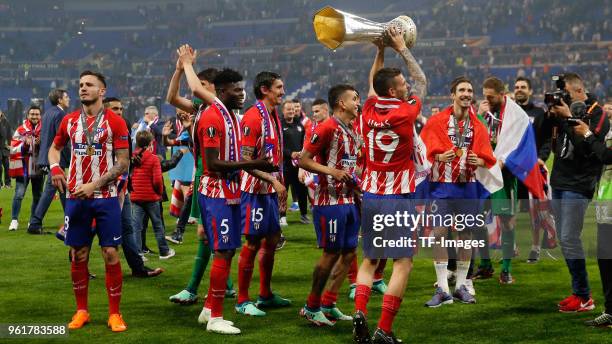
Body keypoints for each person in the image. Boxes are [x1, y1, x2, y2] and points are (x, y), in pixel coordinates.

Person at [178, 44, 276, 335]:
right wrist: (255, 162)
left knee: (227, 250)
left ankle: (209, 306)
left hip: (230, 190)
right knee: (222, 251)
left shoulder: (229, 113)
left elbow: (198, 89)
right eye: (236, 90)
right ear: (221, 91)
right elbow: (213, 163)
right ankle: (217, 317)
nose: (242, 94)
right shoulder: (212, 117)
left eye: (243, 89)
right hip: (216, 190)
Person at [352, 26, 427, 344]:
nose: (407, 85)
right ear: (394, 92)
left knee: (369, 260)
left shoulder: (369, 109)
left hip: (371, 194)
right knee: (403, 262)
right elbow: (422, 80)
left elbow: (372, 83)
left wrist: (379, 51)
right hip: (397, 195)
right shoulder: (405, 112)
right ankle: (384, 328)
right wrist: (401, 48)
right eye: (401, 84)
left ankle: (359, 314)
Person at [48, 70, 130, 332]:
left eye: (89, 85)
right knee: (78, 253)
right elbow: (55, 148)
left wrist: (94, 184)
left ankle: (114, 314)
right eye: (80, 84)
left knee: (110, 254)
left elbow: (123, 163)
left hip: (104, 197)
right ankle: (81, 310)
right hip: (76, 197)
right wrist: (54, 167)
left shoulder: (116, 123)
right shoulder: (69, 121)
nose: (83, 88)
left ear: (102, 91)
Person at [420, 77, 498, 306]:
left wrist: (479, 161)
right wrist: (436, 157)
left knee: (465, 237)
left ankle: (461, 285)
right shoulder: (436, 122)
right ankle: (443, 288)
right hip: (442, 187)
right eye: (462, 90)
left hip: (467, 188)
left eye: (470, 90)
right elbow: (421, 152)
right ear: (452, 95)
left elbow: (487, 159)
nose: (466, 93)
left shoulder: (478, 126)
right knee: (439, 233)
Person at [166, 64, 236, 304]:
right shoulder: (202, 110)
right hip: (204, 175)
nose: (196, 91)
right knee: (207, 234)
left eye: (203, 86)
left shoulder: (219, 111)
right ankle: (223, 286)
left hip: (217, 177)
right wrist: (177, 70)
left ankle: (195, 289)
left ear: (215, 89)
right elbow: (172, 97)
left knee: (207, 233)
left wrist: (186, 63)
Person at [299, 84, 361, 326]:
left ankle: (329, 302)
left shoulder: (353, 130)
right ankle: (311, 306)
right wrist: (331, 171)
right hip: (330, 201)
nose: (358, 102)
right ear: (341, 103)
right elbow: (303, 160)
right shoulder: (327, 128)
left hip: (349, 200)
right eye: (354, 99)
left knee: (349, 254)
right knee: (330, 254)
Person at [548, 73, 609, 313]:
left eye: (567, 93)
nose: (563, 97)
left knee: (569, 237)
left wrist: (570, 117)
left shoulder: (599, 114)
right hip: (560, 180)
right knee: (565, 239)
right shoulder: (563, 110)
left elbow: (590, 150)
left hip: (580, 184)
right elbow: (551, 142)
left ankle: (584, 296)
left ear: (579, 89)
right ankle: (579, 293)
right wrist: (553, 117)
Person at [235, 71, 291, 317]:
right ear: (265, 89)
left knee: (272, 238)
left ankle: (265, 294)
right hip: (253, 190)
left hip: (269, 188)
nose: (282, 91)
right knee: (252, 242)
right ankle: (242, 300)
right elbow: (244, 160)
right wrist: (272, 180)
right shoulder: (252, 117)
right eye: (279, 87)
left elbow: (272, 154)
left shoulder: (272, 114)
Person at [103, 97, 163, 278]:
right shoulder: (98, 131)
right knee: (90, 231)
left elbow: (125, 156)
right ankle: (81, 266)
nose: (119, 112)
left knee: (128, 228)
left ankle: (138, 268)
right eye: (115, 109)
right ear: (104, 110)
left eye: (121, 108)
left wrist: (133, 162)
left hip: (122, 187)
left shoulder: (124, 125)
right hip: (102, 190)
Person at [579, 103, 612, 326]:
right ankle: (610, 310)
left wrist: (589, 134)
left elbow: (608, 156)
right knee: (605, 259)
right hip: (605, 201)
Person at [514, 76, 552, 263]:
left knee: (534, 211)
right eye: (517, 87)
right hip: (511, 169)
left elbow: (547, 140)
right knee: (507, 210)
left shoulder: (539, 113)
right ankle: (510, 246)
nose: (519, 89)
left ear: (530, 91)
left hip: (531, 169)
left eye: (523, 87)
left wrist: (541, 158)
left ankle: (535, 248)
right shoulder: (508, 112)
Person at [28, 88, 71, 234]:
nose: (68, 99)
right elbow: (61, 139)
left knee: (62, 188)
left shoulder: (47, 113)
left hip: (46, 156)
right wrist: (70, 157)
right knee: (51, 189)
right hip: (56, 158)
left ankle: (70, 219)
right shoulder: (60, 114)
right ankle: (34, 223)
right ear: (59, 99)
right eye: (66, 97)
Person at [130, 130, 175, 259]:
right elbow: (157, 180)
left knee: (136, 226)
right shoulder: (154, 158)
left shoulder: (133, 158)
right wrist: (159, 192)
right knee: (157, 225)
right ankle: (164, 251)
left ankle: (138, 253)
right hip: (151, 197)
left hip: (136, 197)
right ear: (151, 143)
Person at [8, 105, 43, 231]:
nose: (34, 116)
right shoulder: (21, 129)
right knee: (19, 194)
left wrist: (41, 142)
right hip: (23, 167)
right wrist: (24, 144)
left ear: (40, 116)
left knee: (37, 196)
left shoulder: (44, 130)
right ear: (27, 116)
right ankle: (14, 220)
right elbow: (13, 146)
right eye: (32, 114)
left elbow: (51, 146)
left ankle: (33, 221)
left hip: (38, 167)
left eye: (37, 114)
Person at [280, 100, 309, 225]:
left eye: (292, 109)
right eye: (288, 109)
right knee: (283, 192)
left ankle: (303, 215)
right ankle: (282, 216)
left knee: (302, 191)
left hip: (299, 166)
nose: (291, 111)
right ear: (283, 111)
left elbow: (304, 142)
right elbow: (278, 145)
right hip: (285, 166)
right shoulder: (279, 125)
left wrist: (302, 153)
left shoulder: (300, 125)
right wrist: (289, 153)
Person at [0, 110, 11, 188]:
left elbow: (9, 134)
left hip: (5, 148)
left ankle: (7, 183)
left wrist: (10, 145)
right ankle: (0, 183)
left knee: (7, 167)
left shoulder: (6, 122)